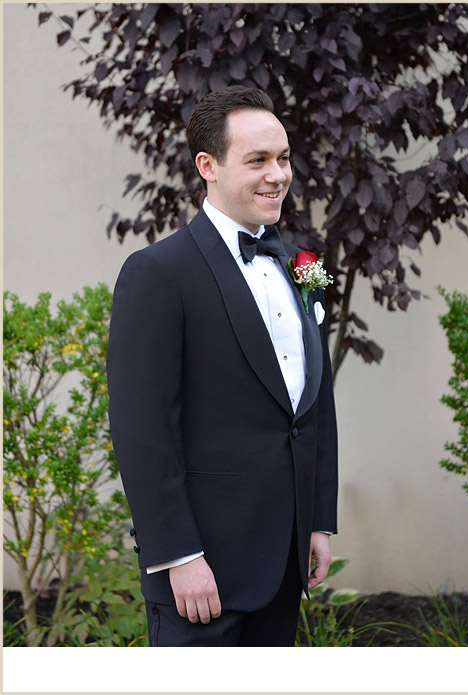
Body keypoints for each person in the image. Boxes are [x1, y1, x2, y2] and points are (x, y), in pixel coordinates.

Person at [106, 86, 338, 646]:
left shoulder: (295, 264)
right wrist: (177, 556)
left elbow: (313, 403)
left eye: (283, 158)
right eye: (257, 160)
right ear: (207, 166)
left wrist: (318, 518)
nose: (277, 174)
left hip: (284, 562)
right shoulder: (158, 273)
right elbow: (143, 432)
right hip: (200, 573)